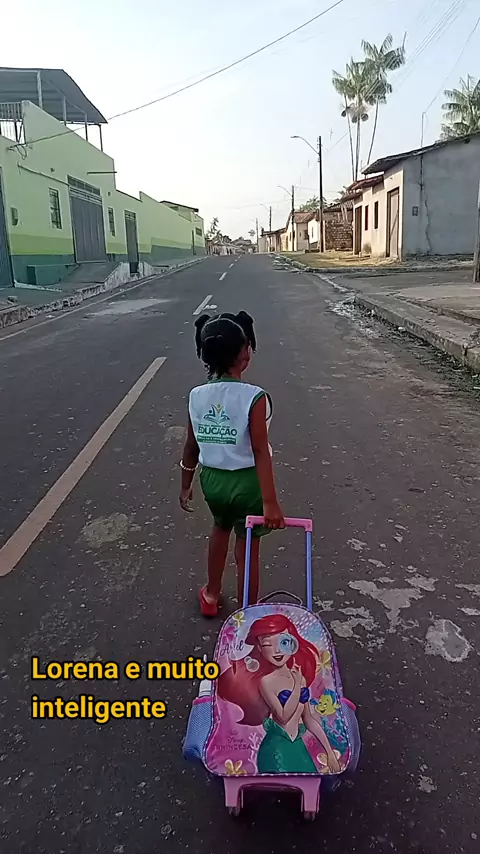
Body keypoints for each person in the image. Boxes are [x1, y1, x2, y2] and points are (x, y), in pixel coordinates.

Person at [179, 311, 284, 616]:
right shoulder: (255, 397)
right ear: (244, 355)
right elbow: (260, 451)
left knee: (219, 528)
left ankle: (211, 595)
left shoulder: (196, 396)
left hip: (213, 482)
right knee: (247, 545)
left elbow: (191, 446)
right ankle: (247, 610)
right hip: (248, 483)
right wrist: (270, 503)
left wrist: (185, 485)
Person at [217, 614, 342, 774]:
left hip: (297, 745)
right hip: (276, 747)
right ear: (260, 649)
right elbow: (283, 716)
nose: (277, 650)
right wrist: (296, 686)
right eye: (268, 644)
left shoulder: (300, 677)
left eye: (283, 642)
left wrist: (329, 752)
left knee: (311, 778)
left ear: (293, 644)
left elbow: (308, 719)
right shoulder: (266, 681)